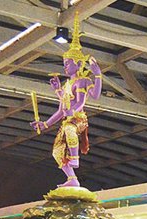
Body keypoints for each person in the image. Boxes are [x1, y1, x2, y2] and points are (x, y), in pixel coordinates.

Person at [28, 14, 102, 187]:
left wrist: (97, 74)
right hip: (68, 118)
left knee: (69, 128)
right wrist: (45, 124)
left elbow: (88, 99)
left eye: (68, 63)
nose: (65, 66)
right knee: (56, 151)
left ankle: (75, 159)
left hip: (78, 119)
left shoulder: (83, 81)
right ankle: (72, 179)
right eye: (64, 63)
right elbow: (61, 109)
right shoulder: (67, 84)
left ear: (77, 62)